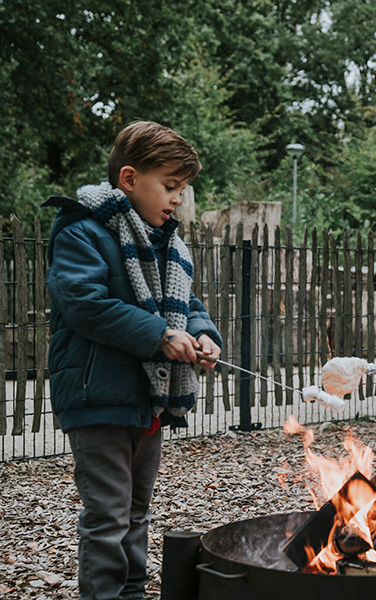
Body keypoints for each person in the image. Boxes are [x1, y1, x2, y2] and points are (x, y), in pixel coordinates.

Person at [44, 121, 222, 600]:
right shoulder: (81, 230)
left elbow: (188, 305)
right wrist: (160, 335)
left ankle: (132, 594)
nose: (177, 201)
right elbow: (85, 303)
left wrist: (202, 336)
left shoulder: (166, 243)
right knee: (108, 517)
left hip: (149, 400)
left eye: (182, 190)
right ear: (128, 179)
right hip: (97, 397)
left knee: (137, 512)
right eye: (169, 187)